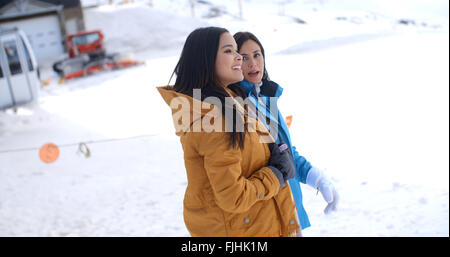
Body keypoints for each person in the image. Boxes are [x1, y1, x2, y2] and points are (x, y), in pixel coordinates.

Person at [157, 27, 301, 236]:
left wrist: (275, 154)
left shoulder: (232, 102)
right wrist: (276, 174)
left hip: (259, 224)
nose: (238, 58)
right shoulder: (213, 119)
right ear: (205, 60)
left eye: (236, 51)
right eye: (229, 51)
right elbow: (234, 197)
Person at [233, 31, 339, 231]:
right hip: (266, 219)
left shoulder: (266, 100)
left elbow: (284, 154)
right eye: (244, 57)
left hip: (289, 213)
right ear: (235, 62)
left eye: (257, 55)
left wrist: (317, 178)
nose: (253, 64)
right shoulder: (237, 108)